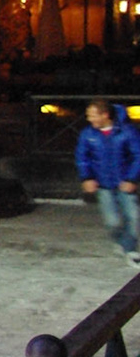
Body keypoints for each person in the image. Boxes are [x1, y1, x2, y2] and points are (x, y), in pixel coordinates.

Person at [77, 98, 140, 266]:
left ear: (105, 115)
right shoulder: (88, 134)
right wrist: (87, 177)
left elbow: (138, 155)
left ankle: (130, 248)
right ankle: (120, 241)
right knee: (112, 222)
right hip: (103, 184)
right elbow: (82, 158)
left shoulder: (127, 131)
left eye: (93, 115)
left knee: (133, 217)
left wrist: (131, 178)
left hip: (124, 183)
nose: (89, 119)